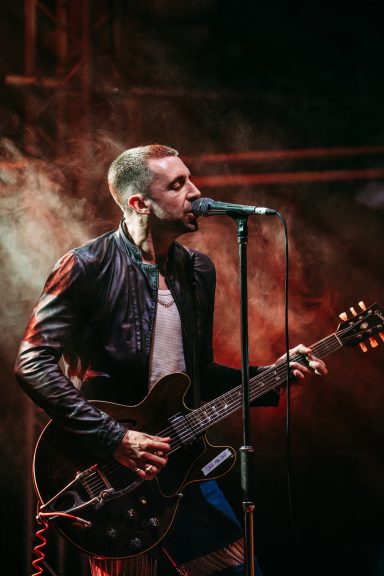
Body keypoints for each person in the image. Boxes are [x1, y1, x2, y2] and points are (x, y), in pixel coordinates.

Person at [14, 144, 327, 576]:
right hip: (114, 470)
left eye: (190, 179)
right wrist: (114, 439)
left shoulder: (197, 270)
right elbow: (33, 362)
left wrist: (271, 376)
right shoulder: (87, 266)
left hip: (182, 461)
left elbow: (197, 376)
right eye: (178, 184)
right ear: (138, 203)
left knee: (239, 568)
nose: (196, 192)